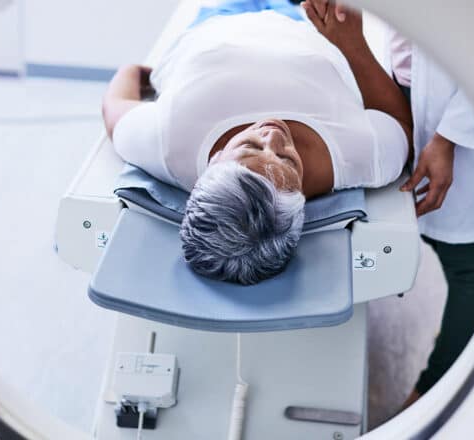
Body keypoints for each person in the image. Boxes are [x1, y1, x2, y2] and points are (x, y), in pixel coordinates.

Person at [102, 0, 412, 285]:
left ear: (215, 161)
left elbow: (114, 103)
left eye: (250, 147)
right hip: (305, 27)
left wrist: (144, 73)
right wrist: (351, 42)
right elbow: (400, 125)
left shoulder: (166, 146)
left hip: (217, 24)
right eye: (289, 160)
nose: (275, 134)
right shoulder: (359, 158)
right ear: (301, 199)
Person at [304, 0, 474, 407]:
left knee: (468, 267)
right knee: (406, 221)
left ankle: (432, 390)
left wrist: (447, 138)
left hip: (454, 105)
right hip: (404, 79)